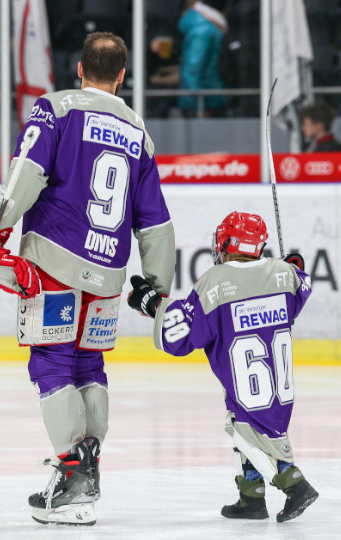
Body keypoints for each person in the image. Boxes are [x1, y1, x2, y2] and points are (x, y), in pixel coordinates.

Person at [0, 32, 175, 526]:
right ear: (122, 75)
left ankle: (74, 478)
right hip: (108, 272)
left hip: (54, 261)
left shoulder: (54, 109)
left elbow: (26, 174)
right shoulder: (139, 131)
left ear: (79, 69)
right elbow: (156, 219)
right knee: (90, 365)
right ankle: (86, 470)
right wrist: (156, 284)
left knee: (52, 365)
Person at [126, 211, 319, 523]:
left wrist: (151, 303)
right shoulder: (284, 275)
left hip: (248, 390)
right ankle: (251, 497)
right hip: (279, 395)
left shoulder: (217, 281)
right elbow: (301, 285)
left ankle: (294, 484)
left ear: (227, 244)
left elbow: (179, 334)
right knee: (243, 420)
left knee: (244, 430)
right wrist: (293, 264)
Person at [178, 0, 228, 116]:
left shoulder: (203, 28)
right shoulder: (204, 31)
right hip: (203, 104)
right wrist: (200, 105)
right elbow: (192, 71)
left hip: (207, 99)